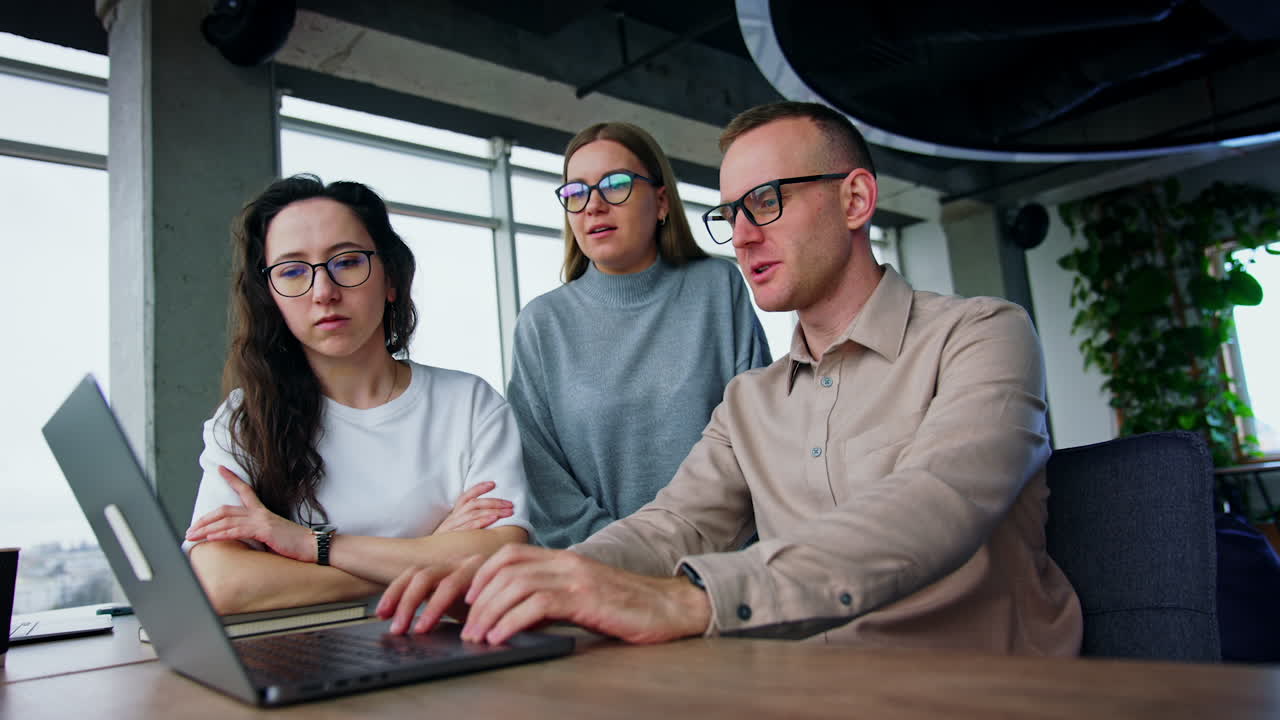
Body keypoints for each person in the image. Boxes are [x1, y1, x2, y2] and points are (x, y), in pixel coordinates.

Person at [376, 103, 1083, 655]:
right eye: (732, 212)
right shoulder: (752, 401)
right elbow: (674, 525)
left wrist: (693, 600)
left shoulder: (983, 334)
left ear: (856, 200)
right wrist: (541, 577)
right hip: (799, 685)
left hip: (979, 688)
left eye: (769, 200)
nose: (742, 234)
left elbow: (936, 500)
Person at [183, 174, 531, 614]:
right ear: (271, 297)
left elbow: (496, 556)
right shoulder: (245, 419)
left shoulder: (469, 406)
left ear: (390, 279)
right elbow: (222, 584)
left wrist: (307, 545)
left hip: (448, 651)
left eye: (346, 262)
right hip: (304, 662)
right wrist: (427, 552)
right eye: (292, 271)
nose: (323, 292)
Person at [508, 122, 770, 548]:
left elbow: (756, 435)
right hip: (599, 573)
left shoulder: (718, 287)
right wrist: (628, 557)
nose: (593, 206)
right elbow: (542, 481)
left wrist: (691, 556)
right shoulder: (542, 323)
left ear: (662, 201)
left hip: (721, 565)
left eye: (615, 185)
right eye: (576, 193)